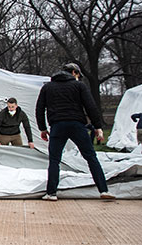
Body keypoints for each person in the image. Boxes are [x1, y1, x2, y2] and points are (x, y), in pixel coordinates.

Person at [35, 63, 115, 201]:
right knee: (91, 157)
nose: (78, 78)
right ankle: (103, 190)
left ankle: (51, 193)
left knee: (54, 160)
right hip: (76, 124)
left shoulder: (47, 87)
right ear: (74, 72)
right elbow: (90, 106)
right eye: (78, 75)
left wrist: (42, 128)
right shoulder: (79, 86)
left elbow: (40, 108)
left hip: (57, 125)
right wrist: (97, 127)